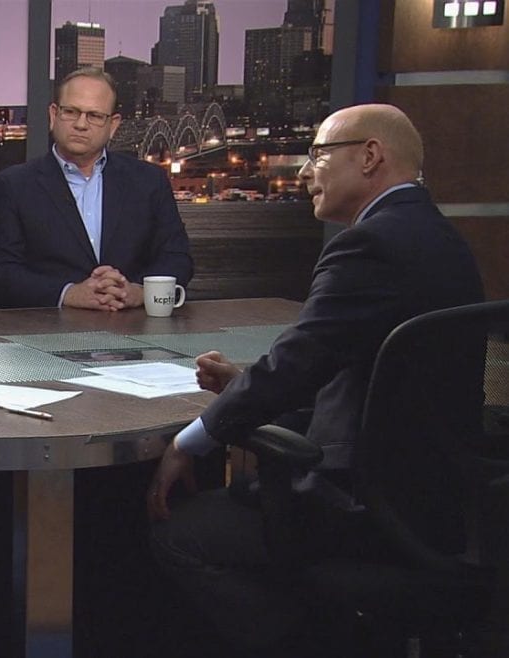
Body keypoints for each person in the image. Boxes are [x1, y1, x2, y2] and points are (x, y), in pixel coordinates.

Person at [145, 104, 484, 655]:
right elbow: (348, 365)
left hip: (367, 506)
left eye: (318, 155)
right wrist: (248, 382)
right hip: (436, 498)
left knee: (179, 534)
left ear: (369, 156)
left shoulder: (369, 245)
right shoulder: (440, 237)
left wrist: (191, 441)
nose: (304, 172)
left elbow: (297, 363)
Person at [0, 67, 192, 311]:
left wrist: (138, 292)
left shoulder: (149, 181)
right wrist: (69, 293)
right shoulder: (14, 185)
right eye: (71, 112)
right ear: (53, 115)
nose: (81, 124)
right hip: (48, 326)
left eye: (94, 115)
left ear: (113, 125)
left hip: (133, 323)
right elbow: (0, 275)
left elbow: (177, 258)